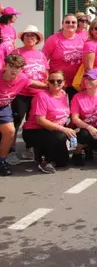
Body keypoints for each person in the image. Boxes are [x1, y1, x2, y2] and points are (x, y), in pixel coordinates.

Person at [0, 54, 46, 175]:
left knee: (10, 131)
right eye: (11, 66)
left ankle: (2, 161)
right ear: (5, 66)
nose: (14, 70)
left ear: (22, 69)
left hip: (3, 107)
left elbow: (33, 82)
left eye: (18, 67)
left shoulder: (23, 78)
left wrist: (50, 87)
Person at [8, 25, 48, 164]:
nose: (30, 38)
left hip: (38, 95)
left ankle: (29, 148)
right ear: (23, 38)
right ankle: (10, 150)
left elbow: (45, 73)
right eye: (27, 35)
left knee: (33, 123)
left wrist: (47, 85)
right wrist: (45, 85)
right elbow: (20, 77)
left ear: (37, 39)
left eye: (33, 36)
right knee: (16, 122)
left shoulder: (41, 54)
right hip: (21, 94)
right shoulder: (16, 52)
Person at [21, 69, 74, 173]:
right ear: (47, 83)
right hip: (35, 131)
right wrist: (63, 129)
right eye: (52, 81)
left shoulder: (63, 95)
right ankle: (44, 160)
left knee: (63, 163)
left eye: (59, 81)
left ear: (64, 83)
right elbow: (40, 120)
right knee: (61, 135)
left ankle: (45, 152)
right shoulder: (41, 96)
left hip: (52, 131)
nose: (55, 83)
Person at [69, 69, 97, 166]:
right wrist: (89, 127)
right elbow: (75, 118)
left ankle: (89, 148)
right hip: (82, 128)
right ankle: (77, 152)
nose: (87, 81)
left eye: (91, 79)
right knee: (84, 134)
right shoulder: (77, 97)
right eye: (86, 78)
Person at [42, 15, 85, 100]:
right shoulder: (53, 39)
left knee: (74, 110)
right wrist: (47, 78)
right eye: (67, 22)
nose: (70, 24)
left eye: (73, 22)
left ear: (77, 25)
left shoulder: (82, 39)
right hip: (58, 82)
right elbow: (43, 60)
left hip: (76, 83)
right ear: (62, 24)